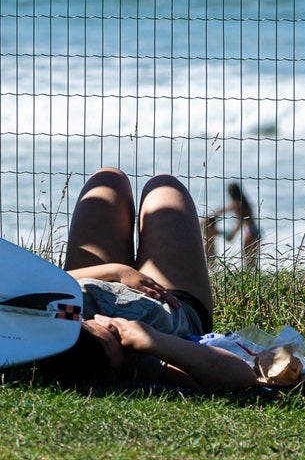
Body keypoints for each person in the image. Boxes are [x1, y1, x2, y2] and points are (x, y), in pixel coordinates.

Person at [39, 168, 256, 392]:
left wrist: (114, 271)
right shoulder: (140, 361)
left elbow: (37, 286)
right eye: (116, 336)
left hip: (97, 276)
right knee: (164, 186)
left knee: (107, 179)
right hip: (172, 301)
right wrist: (152, 340)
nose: (115, 326)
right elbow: (241, 376)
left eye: (106, 329)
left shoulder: (60, 316)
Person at [200, 182, 262, 267]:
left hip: (250, 233)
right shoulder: (244, 203)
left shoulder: (237, 204)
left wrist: (210, 216)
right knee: (252, 260)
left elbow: (235, 220)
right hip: (255, 231)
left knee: (249, 260)